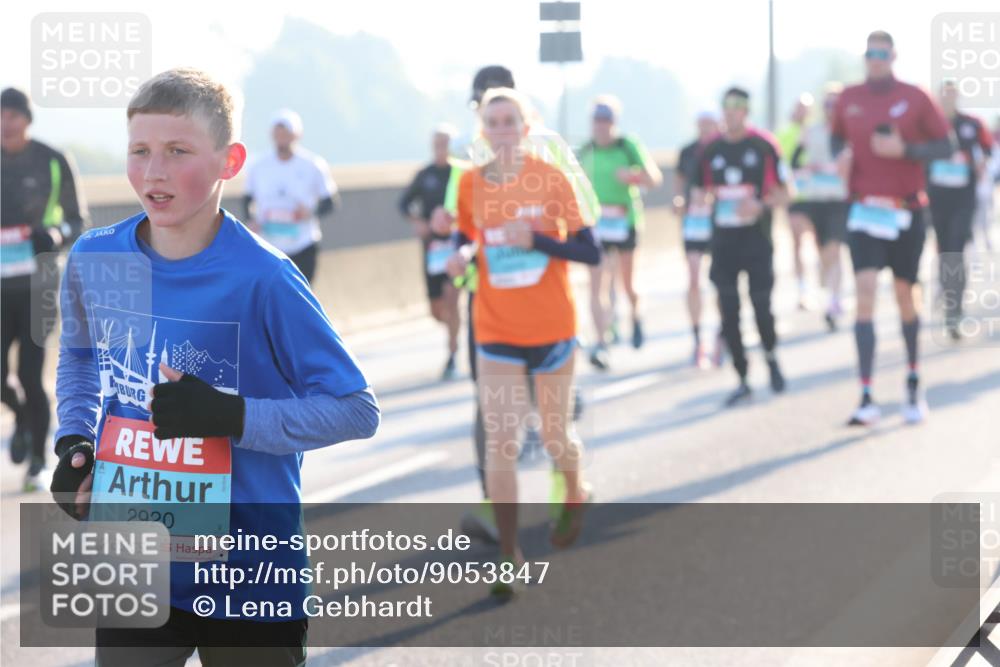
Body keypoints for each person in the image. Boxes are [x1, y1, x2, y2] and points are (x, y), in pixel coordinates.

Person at [49, 68, 379, 666]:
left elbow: (356, 411)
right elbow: (79, 357)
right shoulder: (95, 256)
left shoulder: (265, 277)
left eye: (178, 151)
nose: (154, 172)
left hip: (250, 576)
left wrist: (232, 416)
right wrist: (73, 441)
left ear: (230, 161)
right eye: (140, 151)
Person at [446, 88, 598, 598]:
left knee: (555, 437)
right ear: (483, 131)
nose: (502, 130)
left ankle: (575, 488)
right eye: (493, 122)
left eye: (510, 121)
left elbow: (590, 250)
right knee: (502, 443)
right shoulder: (470, 184)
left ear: (526, 127)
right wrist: (461, 255)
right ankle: (509, 556)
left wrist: (537, 240)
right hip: (496, 331)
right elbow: (467, 235)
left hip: (552, 330)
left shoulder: (551, 178)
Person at [830, 30, 953, 426]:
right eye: (870, 53)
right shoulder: (849, 98)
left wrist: (906, 151)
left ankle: (913, 381)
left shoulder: (915, 96)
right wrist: (841, 156)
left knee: (905, 296)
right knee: (864, 293)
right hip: (864, 212)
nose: (875, 59)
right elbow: (836, 138)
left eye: (882, 53)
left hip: (906, 212)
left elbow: (946, 146)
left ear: (894, 56)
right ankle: (866, 396)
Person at [1, 86, 88, 491]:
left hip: (40, 285)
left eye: (13, 115)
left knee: (31, 374)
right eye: (1, 115)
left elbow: (77, 221)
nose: (6, 123)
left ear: (27, 120)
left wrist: (55, 234)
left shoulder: (52, 160)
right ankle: (20, 416)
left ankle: (37, 459)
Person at [693, 86, 789, 407]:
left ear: (746, 111)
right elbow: (699, 190)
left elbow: (786, 192)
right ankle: (742, 378)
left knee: (761, 306)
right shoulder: (710, 149)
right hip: (723, 243)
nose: (731, 113)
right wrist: (696, 200)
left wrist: (759, 205)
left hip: (757, 241)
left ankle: (771, 358)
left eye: (737, 107)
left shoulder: (764, 145)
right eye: (727, 107)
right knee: (729, 311)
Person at [577, 96, 662, 370]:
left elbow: (654, 178)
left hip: (625, 222)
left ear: (614, 122)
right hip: (597, 225)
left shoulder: (628, 146)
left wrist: (633, 177)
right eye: (597, 120)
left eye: (607, 120)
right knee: (597, 283)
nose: (601, 126)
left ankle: (636, 315)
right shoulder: (585, 151)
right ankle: (601, 343)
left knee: (627, 284)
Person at [927, 80, 993, 339]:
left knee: (956, 247)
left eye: (952, 94)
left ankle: (954, 308)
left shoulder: (972, 124)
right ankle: (947, 294)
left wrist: (980, 161)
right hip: (936, 198)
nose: (948, 98)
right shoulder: (929, 125)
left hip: (964, 198)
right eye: (944, 94)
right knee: (945, 250)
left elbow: (987, 150)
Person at [243, 108, 339, 282]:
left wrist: (311, 213)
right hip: (269, 245)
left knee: (301, 296)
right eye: (278, 133)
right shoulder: (258, 165)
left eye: (286, 133)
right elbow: (247, 199)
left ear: (297, 135)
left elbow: (330, 201)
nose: (282, 137)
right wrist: (251, 219)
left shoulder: (313, 164)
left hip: (303, 244)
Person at [399, 124, 462, 379]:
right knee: (437, 310)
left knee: (452, 298)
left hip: (456, 247)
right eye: (437, 144)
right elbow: (403, 204)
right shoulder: (425, 175)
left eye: (445, 144)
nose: (441, 149)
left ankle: (452, 355)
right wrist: (419, 223)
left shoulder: (461, 174)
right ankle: (455, 327)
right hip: (432, 249)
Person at [787, 83, 850, 331]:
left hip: (839, 199)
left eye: (836, 104)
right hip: (815, 198)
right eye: (827, 104)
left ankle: (834, 300)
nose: (831, 109)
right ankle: (829, 290)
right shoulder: (811, 131)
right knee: (823, 251)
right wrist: (806, 168)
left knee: (834, 249)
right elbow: (794, 161)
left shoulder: (849, 132)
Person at [675, 110, 723, 368]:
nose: (705, 129)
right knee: (693, 278)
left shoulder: (724, 148)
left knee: (721, 280)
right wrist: (679, 201)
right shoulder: (688, 151)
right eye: (701, 124)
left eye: (709, 124)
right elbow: (679, 182)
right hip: (694, 222)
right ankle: (697, 338)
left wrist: (712, 197)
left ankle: (722, 333)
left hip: (719, 222)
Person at [777, 93, 815, 309]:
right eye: (799, 108)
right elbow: (780, 165)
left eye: (806, 108)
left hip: (818, 197)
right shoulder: (783, 134)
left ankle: (824, 288)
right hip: (796, 197)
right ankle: (802, 289)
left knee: (821, 244)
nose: (802, 112)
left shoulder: (817, 131)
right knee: (797, 242)